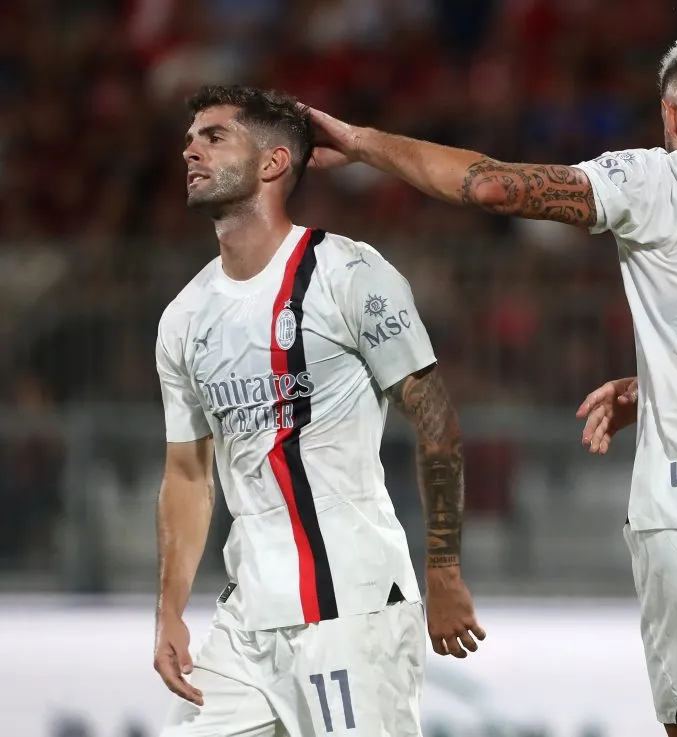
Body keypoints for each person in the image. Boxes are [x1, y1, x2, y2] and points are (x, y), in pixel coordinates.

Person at [305, 28, 677, 737]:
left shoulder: (654, 177)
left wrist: (366, 142)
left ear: (671, 118)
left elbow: (489, 183)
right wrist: (660, 387)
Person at [153, 85, 485, 737]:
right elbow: (189, 475)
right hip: (245, 618)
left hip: (351, 608)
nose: (190, 148)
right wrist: (168, 609)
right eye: (190, 137)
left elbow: (436, 419)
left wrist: (442, 567)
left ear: (274, 163)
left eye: (214, 136)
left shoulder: (349, 273)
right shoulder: (184, 317)